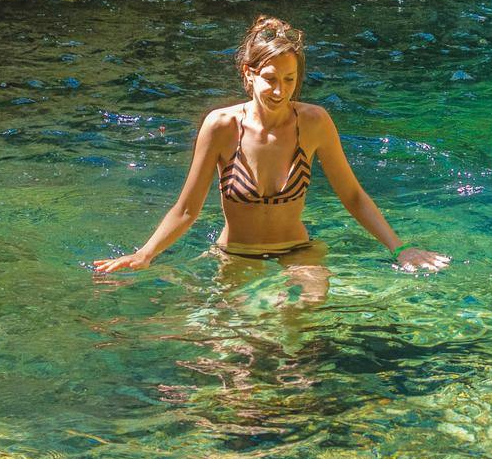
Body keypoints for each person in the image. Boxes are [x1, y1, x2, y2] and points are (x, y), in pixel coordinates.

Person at [92, 15, 448, 304]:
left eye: (290, 80)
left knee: (300, 316)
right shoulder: (221, 127)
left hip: (298, 251)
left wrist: (399, 248)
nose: (280, 91)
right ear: (248, 74)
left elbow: (353, 196)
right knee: (234, 351)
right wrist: (145, 254)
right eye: (270, 79)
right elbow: (186, 210)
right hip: (235, 256)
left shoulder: (314, 123)